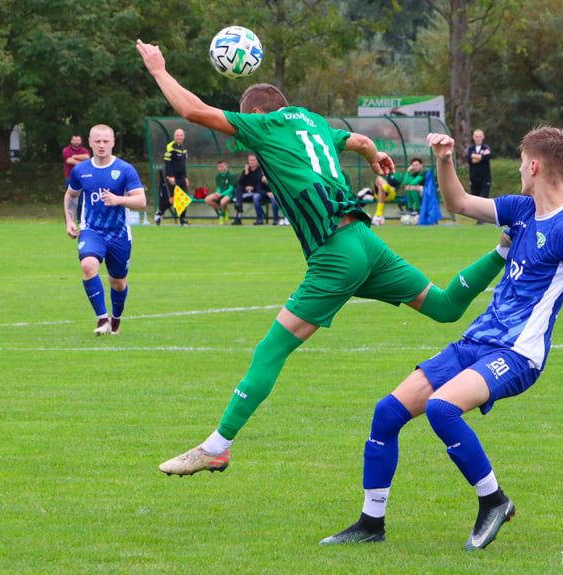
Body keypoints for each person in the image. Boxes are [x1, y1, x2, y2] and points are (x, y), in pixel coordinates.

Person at [137, 39, 510, 477]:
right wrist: (375, 159)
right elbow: (358, 139)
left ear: (257, 114)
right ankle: (504, 246)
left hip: (335, 254)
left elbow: (194, 111)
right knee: (445, 306)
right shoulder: (312, 122)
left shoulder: (265, 125)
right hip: (364, 243)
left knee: (271, 349)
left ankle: (216, 447)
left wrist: (159, 70)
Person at [320, 126, 563, 551]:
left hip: (516, 354)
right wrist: (444, 159)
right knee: (387, 413)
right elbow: (458, 202)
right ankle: (371, 522)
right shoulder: (521, 209)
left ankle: (494, 500)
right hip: (476, 342)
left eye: (520, 162)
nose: (517, 169)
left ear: (534, 165)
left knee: (441, 409)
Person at [64, 124, 146, 336]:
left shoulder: (125, 169)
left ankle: (115, 319)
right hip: (92, 230)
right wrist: (69, 221)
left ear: (113, 143)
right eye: (97, 141)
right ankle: (102, 320)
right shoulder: (80, 170)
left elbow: (141, 201)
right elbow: (72, 195)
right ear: (89, 143)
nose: (101, 145)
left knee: (117, 283)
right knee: (88, 266)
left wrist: (118, 199)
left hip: (119, 234)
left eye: (105, 141)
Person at [157, 128, 190, 226]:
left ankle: (182, 220)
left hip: (182, 177)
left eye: (181, 135)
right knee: (174, 199)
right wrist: (170, 176)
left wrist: (186, 177)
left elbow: (183, 164)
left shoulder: (184, 148)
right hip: (173, 177)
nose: (179, 137)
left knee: (184, 198)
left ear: (183, 137)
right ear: (174, 136)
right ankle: (160, 212)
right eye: (178, 135)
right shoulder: (170, 147)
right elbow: (167, 162)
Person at [467, 129, 492, 225]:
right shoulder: (471, 148)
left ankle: (485, 219)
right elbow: (470, 160)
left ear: (483, 137)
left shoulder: (486, 147)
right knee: (475, 199)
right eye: (476, 136)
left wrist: (476, 156)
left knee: (485, 198)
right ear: (473, 137)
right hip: (474, 178)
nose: (478, 138)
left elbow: (488, 156)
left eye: (479, 136)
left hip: (485, 178)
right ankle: (479, 219)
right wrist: (481, 156)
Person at [231, 154, 265, 225]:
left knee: (239, 199)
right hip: (246, 192)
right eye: (250, 160)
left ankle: (259, 218)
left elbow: (260, 185)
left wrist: (252, 188)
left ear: (257, 161)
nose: (252, 162)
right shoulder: (246, 171)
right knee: (238, 190)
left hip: (255, 191)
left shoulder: (259, 171)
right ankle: (238, 216)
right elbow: (240, 183)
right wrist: (246, 173)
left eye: (253, 160)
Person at [204, 159, 236, 224]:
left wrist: (221, 194)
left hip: (229, 194)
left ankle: (221, 216)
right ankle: (223, 210)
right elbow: (219, 187)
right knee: (207, 199)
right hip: (220, 193)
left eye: (222, 166)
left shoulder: (231, 175)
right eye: (219, 167)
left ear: (226, 166)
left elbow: (231, 189)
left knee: (222, 202)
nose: (221, 168)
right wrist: (217, 193)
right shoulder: (218, 176)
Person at [401, 157, 425, 222]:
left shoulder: (424, 171)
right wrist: (408, 171)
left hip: (428, 192)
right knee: (407, 187)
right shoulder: (414, 173)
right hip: (419, 191)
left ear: (421, 165)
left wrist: (411, 182)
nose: (415, 167)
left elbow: (414, 183)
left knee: (412, 187)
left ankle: (418, 209)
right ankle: (410, 208)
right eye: (413, 166)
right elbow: (405, 182)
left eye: (416, 165)